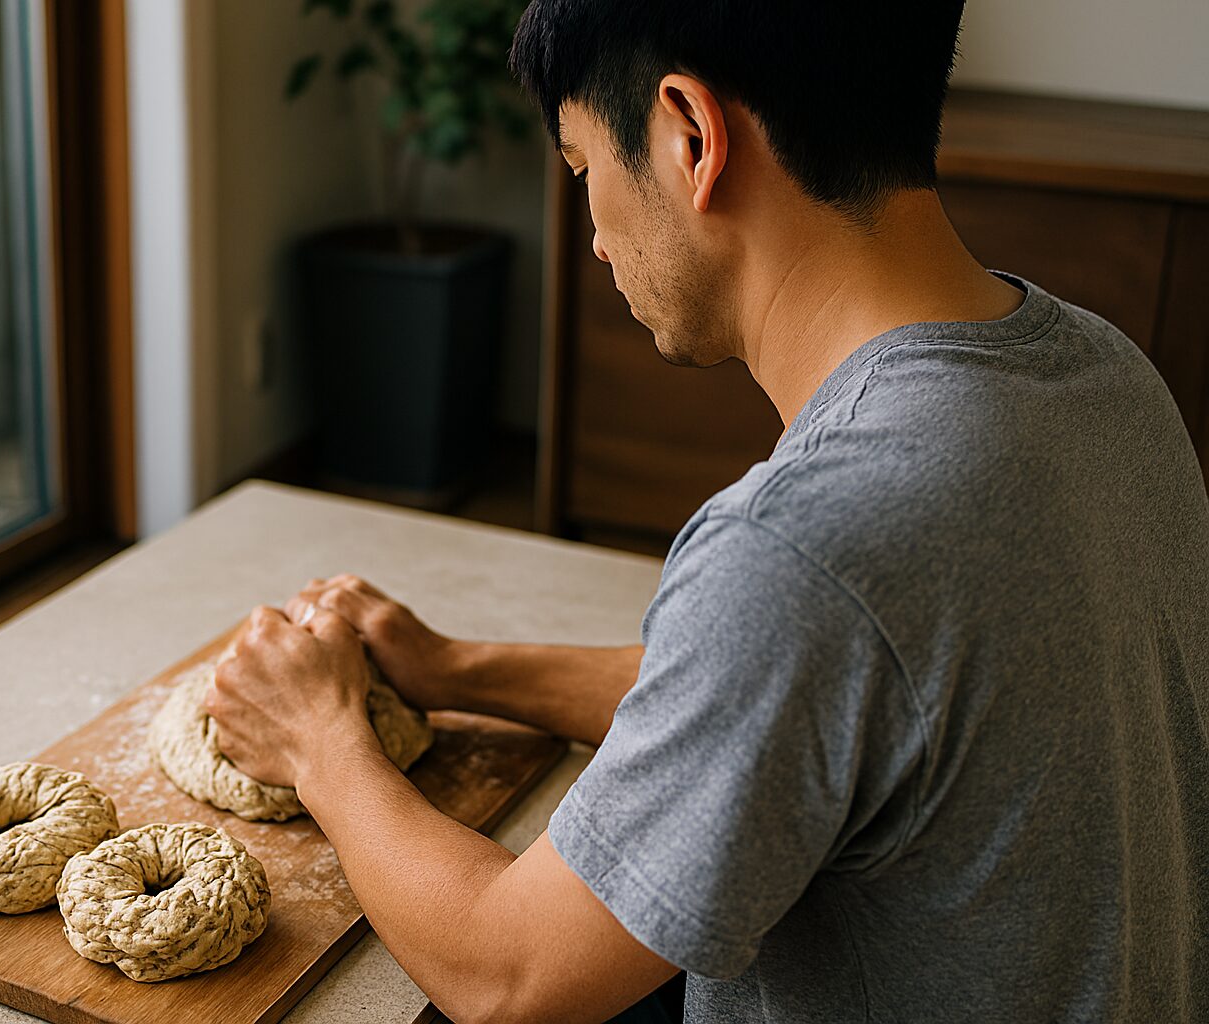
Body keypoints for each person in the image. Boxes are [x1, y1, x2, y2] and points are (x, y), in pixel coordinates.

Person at [203, 1, 1209, 1020]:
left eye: (583, 166)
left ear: (690, 134)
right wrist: (460, 669)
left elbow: (505, 974)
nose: (597, 241)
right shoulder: (1108, 376)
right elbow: (804, 700)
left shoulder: (804, 548)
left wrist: (318, 740)